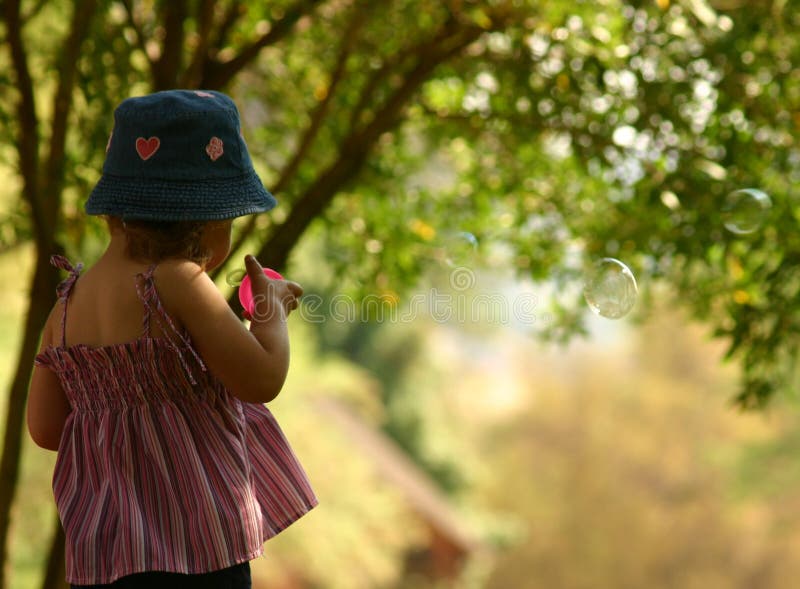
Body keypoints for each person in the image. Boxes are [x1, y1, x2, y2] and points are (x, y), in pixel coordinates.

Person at [26, 90, 318, 588]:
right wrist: (269, 311)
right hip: (199, 549)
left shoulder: (66, 306)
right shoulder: (178, 282)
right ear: (206, 220)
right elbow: (262, 378)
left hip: (106, 556)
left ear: (114, 211)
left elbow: (46, 429)